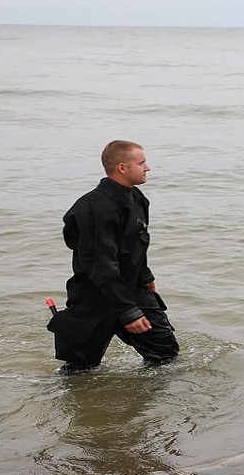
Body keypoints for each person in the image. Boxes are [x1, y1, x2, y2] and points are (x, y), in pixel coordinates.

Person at [48, 140, 179, 372]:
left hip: (133, 288)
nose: (148, 168)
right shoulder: (93, 208)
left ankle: (145, 405)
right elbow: (100, 266)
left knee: (165, 355)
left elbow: (138, 242)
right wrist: (128, 313)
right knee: (81, 370)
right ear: (122, 167)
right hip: (95, 296)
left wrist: (146, 276)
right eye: (141, 163)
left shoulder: (137, 198)